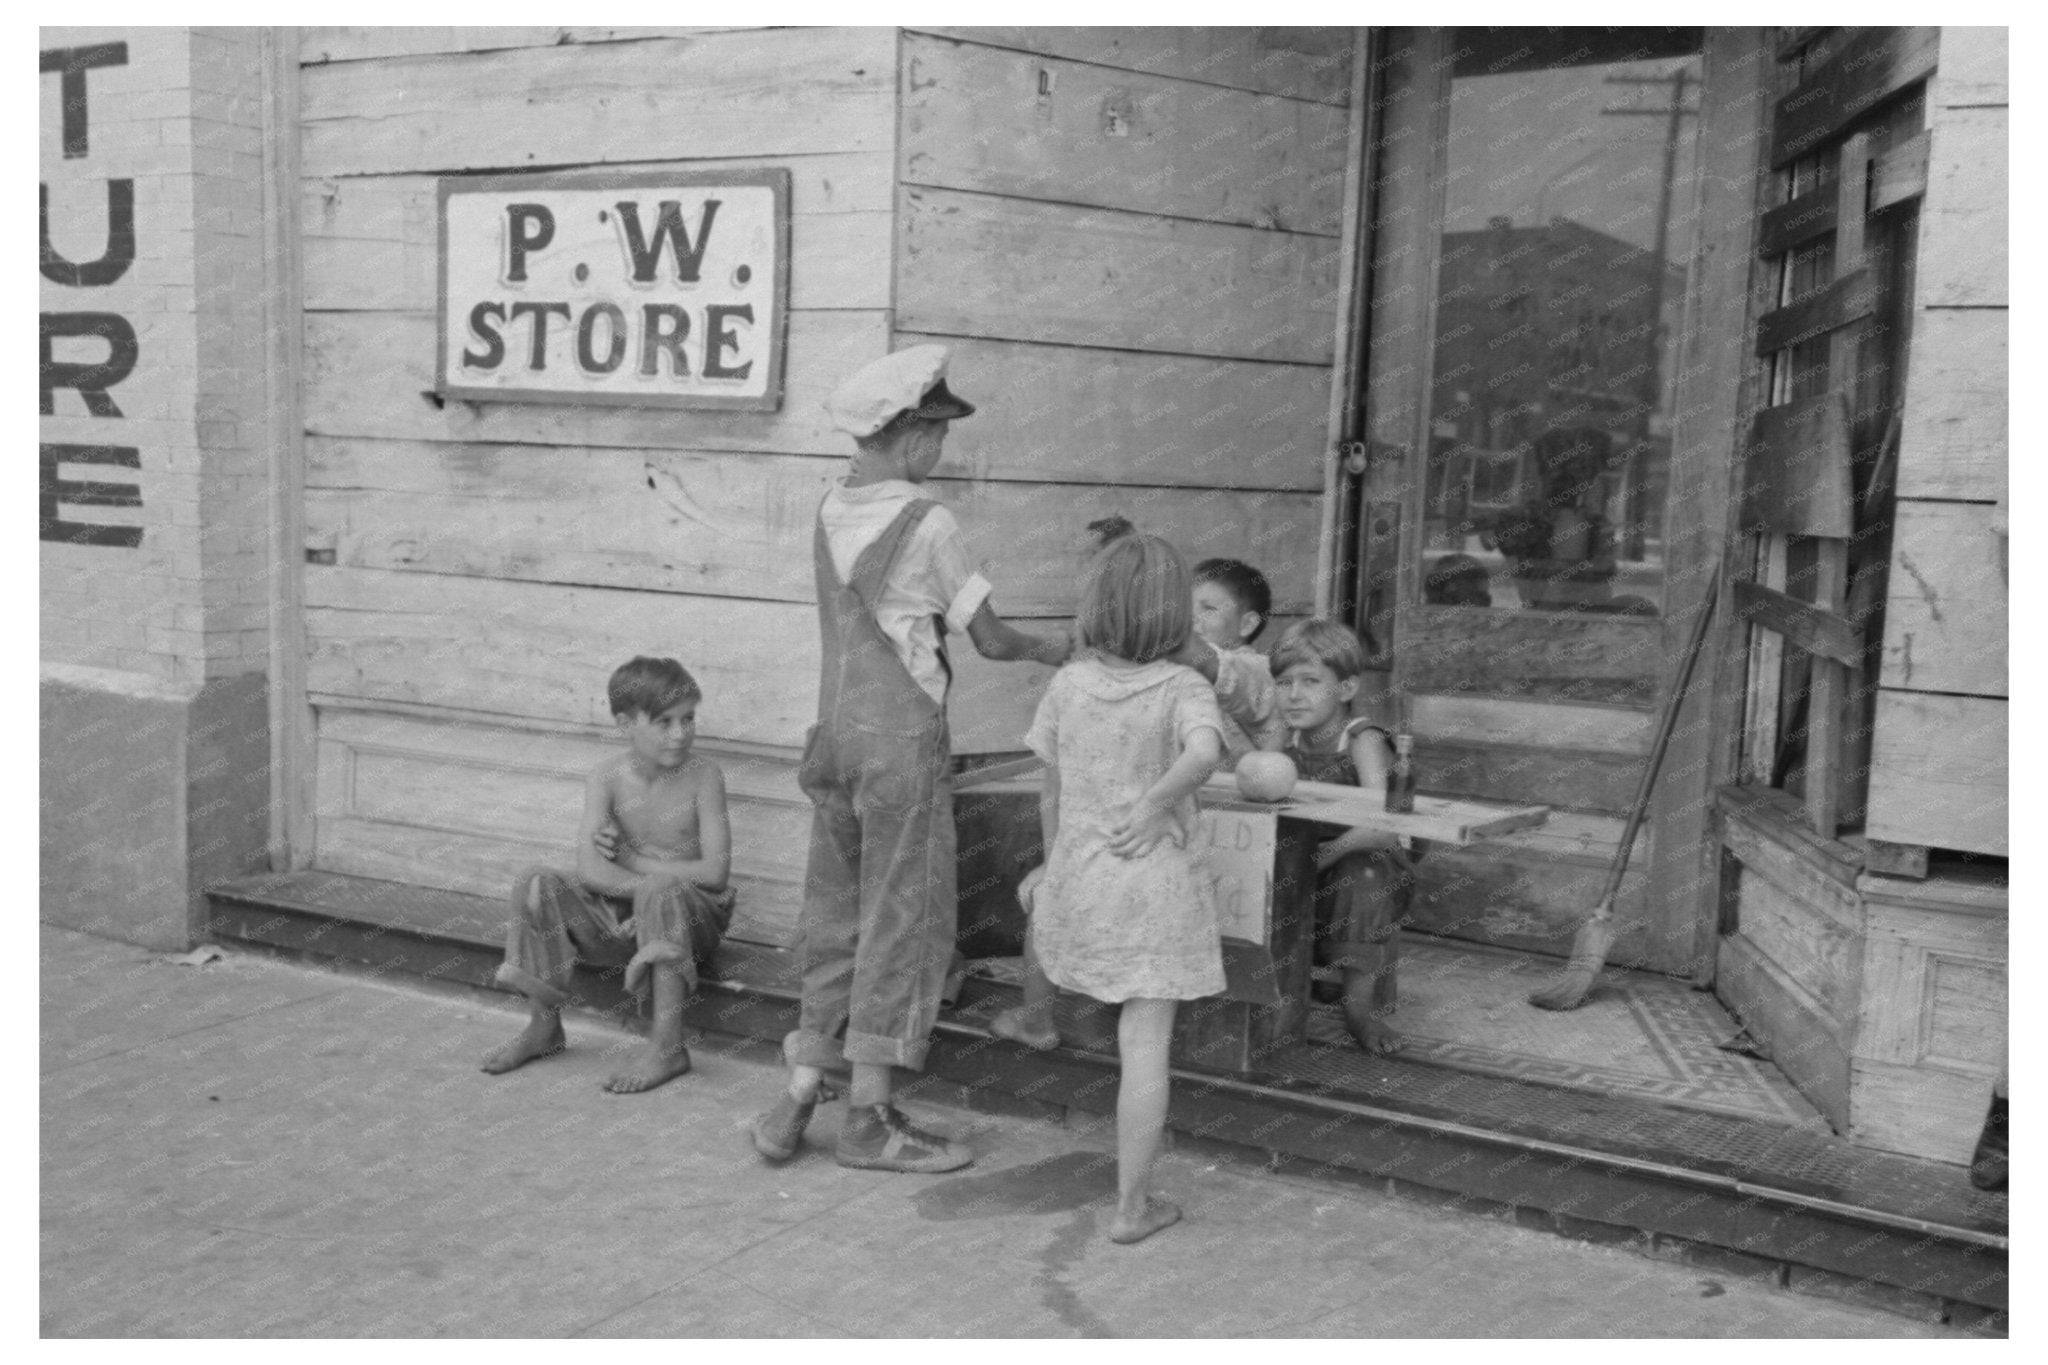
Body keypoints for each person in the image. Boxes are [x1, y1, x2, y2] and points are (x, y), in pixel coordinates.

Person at [750, 344, 1071, 1174]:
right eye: (937, 428)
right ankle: (867, 1116)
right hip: (898, 747)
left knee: (835, 917)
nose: (943, 448)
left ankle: (795, 1095)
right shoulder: (930, 522)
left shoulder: (829, 506)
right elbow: (993, 640)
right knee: (904, 921)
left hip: (832, 737)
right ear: (910, 433)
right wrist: (1061, 648)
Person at [1024, 534, 1228, 1244]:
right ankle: (1131, 1206)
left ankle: (1131, 1200)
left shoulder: (1068, 684)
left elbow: (1050, 791)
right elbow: (1205, 752)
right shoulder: (1184, 687)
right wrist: (1155, 803)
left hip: (1088, 878)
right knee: (1146, 1042)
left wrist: (1053, 870)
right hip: (1157, 888)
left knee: (1118, 1030)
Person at [480, 656, 733, 1093]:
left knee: (662, 890)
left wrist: (638, 869)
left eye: (688, 719)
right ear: (625, 723)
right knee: (536, 882)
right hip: (625, 920)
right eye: (665, 722)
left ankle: (668, 1048)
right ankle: (544, 1027)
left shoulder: (704, 776)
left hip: (691, 923)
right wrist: (642, 896)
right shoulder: (606, 778)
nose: (681, 732)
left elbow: (714, 872)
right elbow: (590, 869)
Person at [1271, 619, 1414, 1056]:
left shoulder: (1361, 741)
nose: (1294, 694)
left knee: (1361, 880)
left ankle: (1358, 1011)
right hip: (1305, 856)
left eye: (1311, 681)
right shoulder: (1285, 735)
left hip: (1364, 856)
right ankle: (1273, 991)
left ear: (1347, 688)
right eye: (1283, 682)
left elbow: (1382, 825)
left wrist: (1326, 855)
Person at [1179, 557, 1285, 762]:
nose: (1191, 617)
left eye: (1208, 609)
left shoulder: (1257, 669)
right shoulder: (1179, 666)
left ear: (1247, 625)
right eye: (1185, 607)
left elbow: (1207, 661)